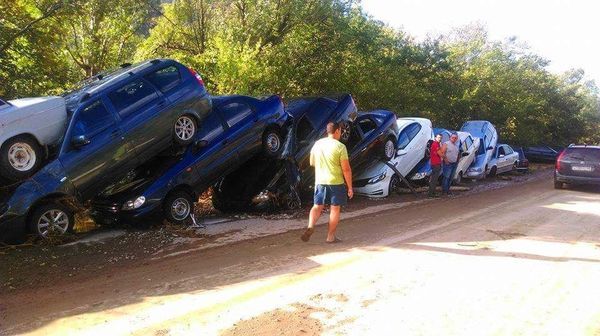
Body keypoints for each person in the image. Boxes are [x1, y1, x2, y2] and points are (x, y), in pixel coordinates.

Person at [301, 121, 353, 243]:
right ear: (336, 131)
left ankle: (310, 226)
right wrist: (350, 187)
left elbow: (311, 163)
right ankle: (330, 237)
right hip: (336, 182)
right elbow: (346, 169)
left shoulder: (317, 144)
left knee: (317, 206)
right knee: (334, 209)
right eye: (340, 130)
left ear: (327, 131)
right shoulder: (340, 147)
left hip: (320, 181)